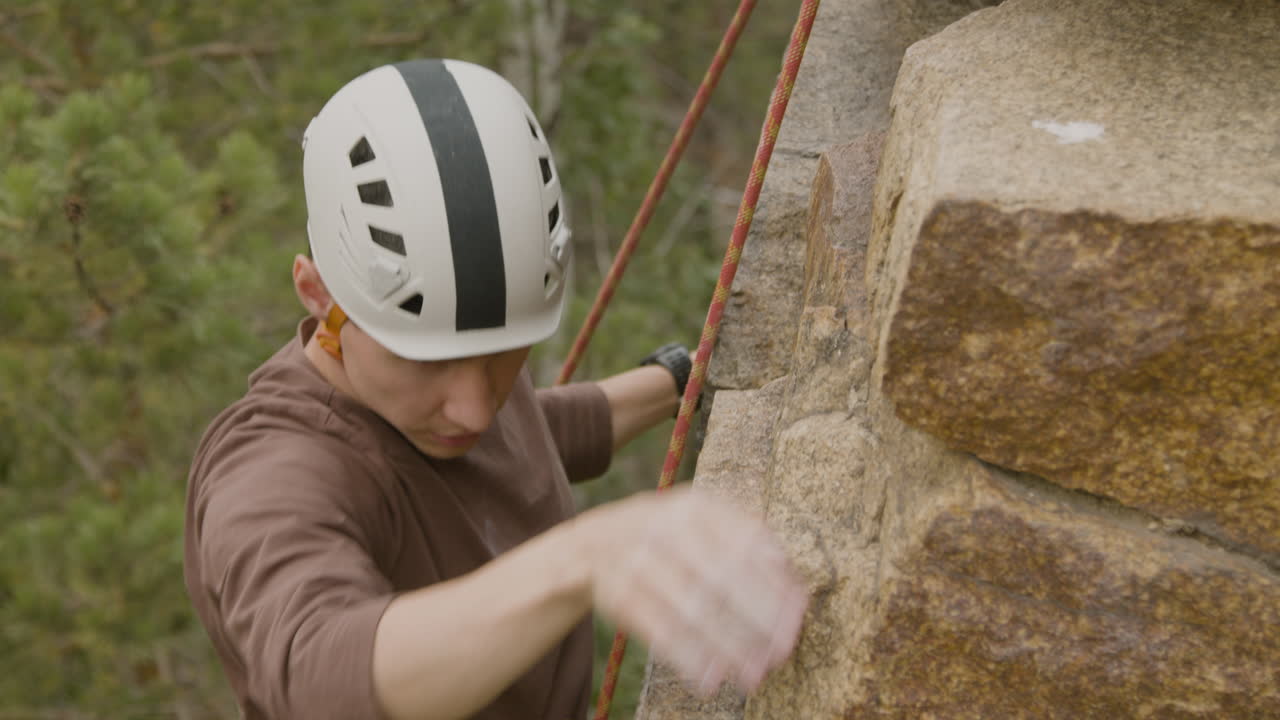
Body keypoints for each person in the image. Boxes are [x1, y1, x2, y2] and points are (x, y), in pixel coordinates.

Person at [183, 58, 807, 720]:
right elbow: (314, 668)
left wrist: (676, 381)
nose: (475, 407)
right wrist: (587, 556)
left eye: (506, 357)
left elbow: (529, 436)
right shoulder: (271, 472)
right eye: (429, 363)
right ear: (319, 295)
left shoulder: (444, 391)